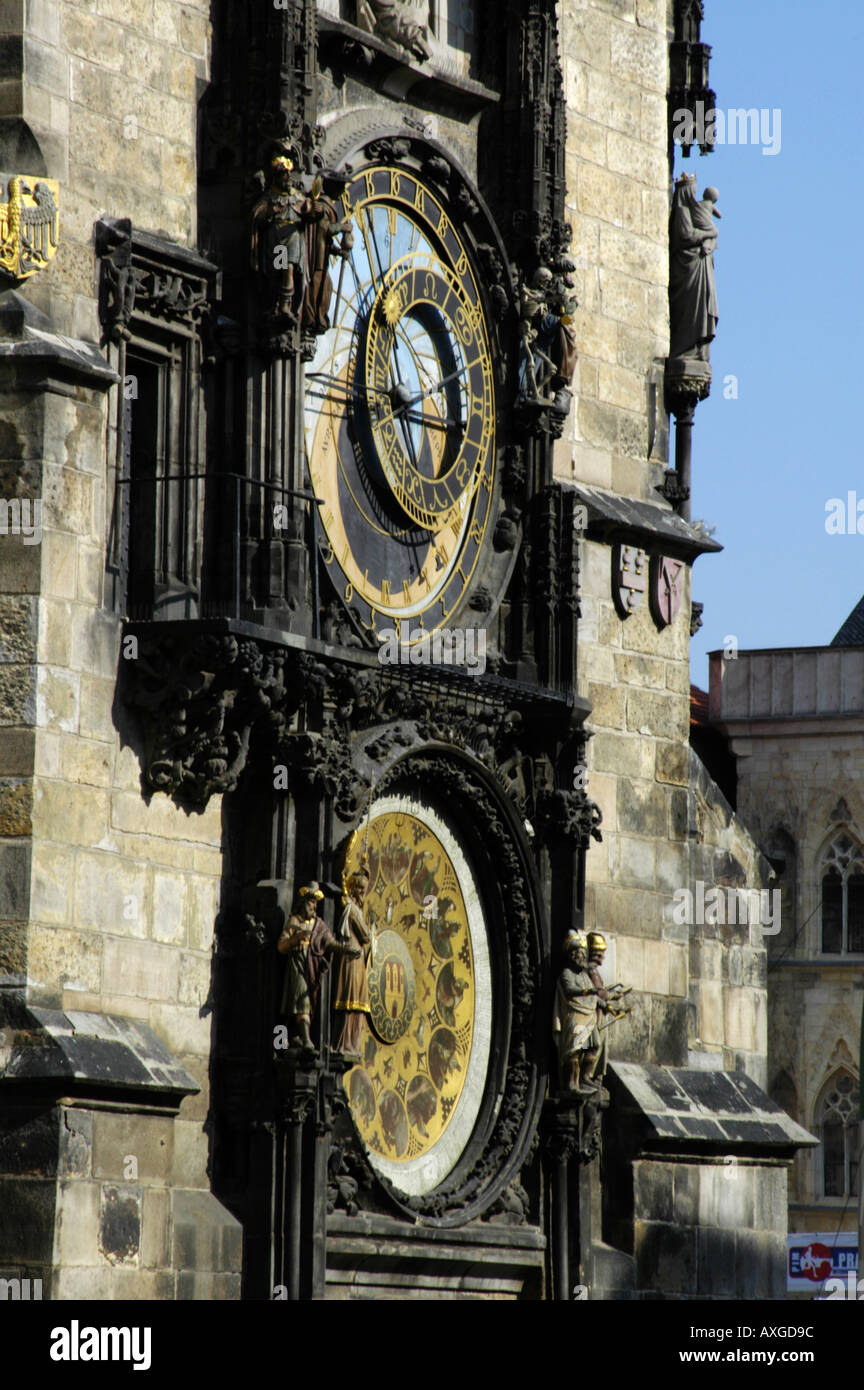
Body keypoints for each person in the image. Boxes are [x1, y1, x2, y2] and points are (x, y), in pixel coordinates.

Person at [277, 881, 359, 1047]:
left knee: (307, 1002)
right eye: (311, 902)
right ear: (302, 902)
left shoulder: (318, 925)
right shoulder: (294, 921)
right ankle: (306, 1040)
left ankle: (297, 1036)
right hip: (297, 967)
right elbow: (280, 947)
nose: (314, 907)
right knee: (303, 1001)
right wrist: (295, 939)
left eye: (315, 903)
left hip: (312, 969)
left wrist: (346, 949)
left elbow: (330, 943)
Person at [668, 174, 721, 361]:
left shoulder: (693, 210)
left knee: (701, 306)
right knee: (690, 309)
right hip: (689, 268)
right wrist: (708, 233)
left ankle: (697, 348)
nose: (693, 194)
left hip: (700, 266)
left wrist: (711, 238)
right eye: (692, 190)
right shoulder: (682, 210)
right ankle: (686, 348)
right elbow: (686, 235)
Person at [332, 856, 375, 1059]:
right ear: (354, 889)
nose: (363, 893)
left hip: (355, 958)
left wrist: (366, 872)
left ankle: (350, 1044)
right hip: (352, 958)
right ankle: (345, 1043)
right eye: (360, 889)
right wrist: (371, 931)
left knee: (356, 1004)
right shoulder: (353, 910)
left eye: (364, 889)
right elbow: (365, 935)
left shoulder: (354, 908)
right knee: (351, 1002)